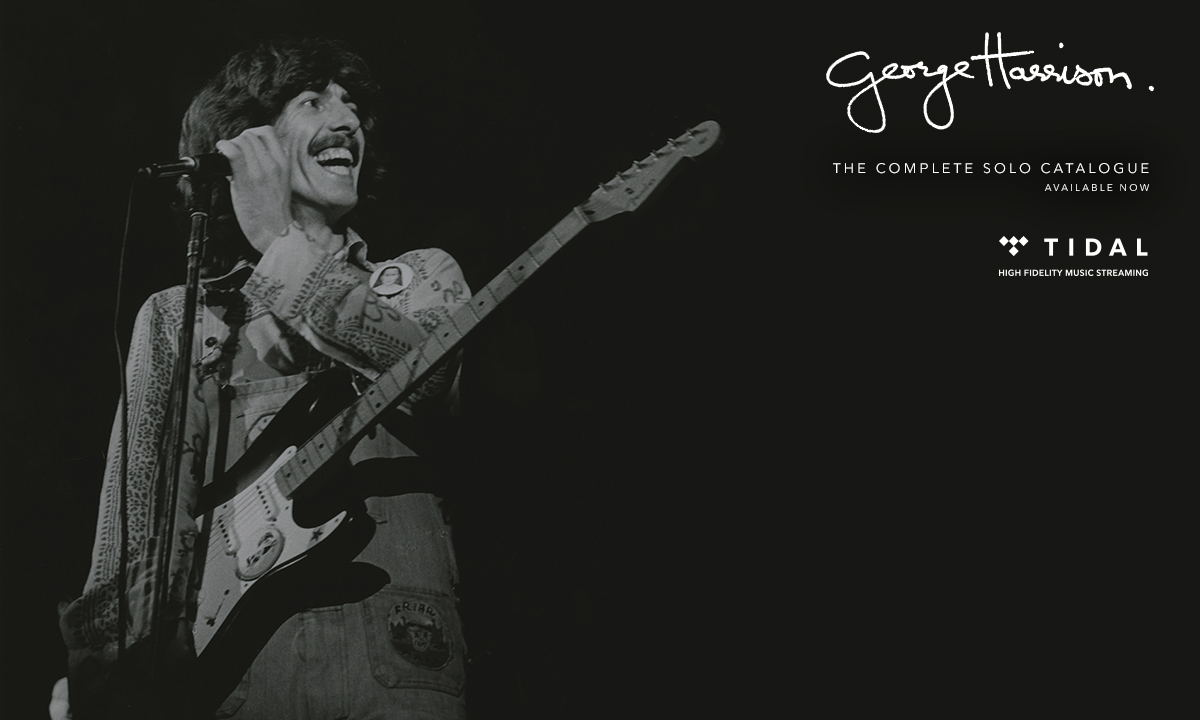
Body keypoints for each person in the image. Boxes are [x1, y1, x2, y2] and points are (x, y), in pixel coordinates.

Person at [57, 37, 472, 720]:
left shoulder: (419, 276)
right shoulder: (181, 317)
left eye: (352, 106)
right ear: (248, 142)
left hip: (398, 658)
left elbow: (426, 379)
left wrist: (282, 244)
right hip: (241, 677)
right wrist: (103, 679)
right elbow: (134, 531)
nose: (348, 121)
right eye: (313, 101)